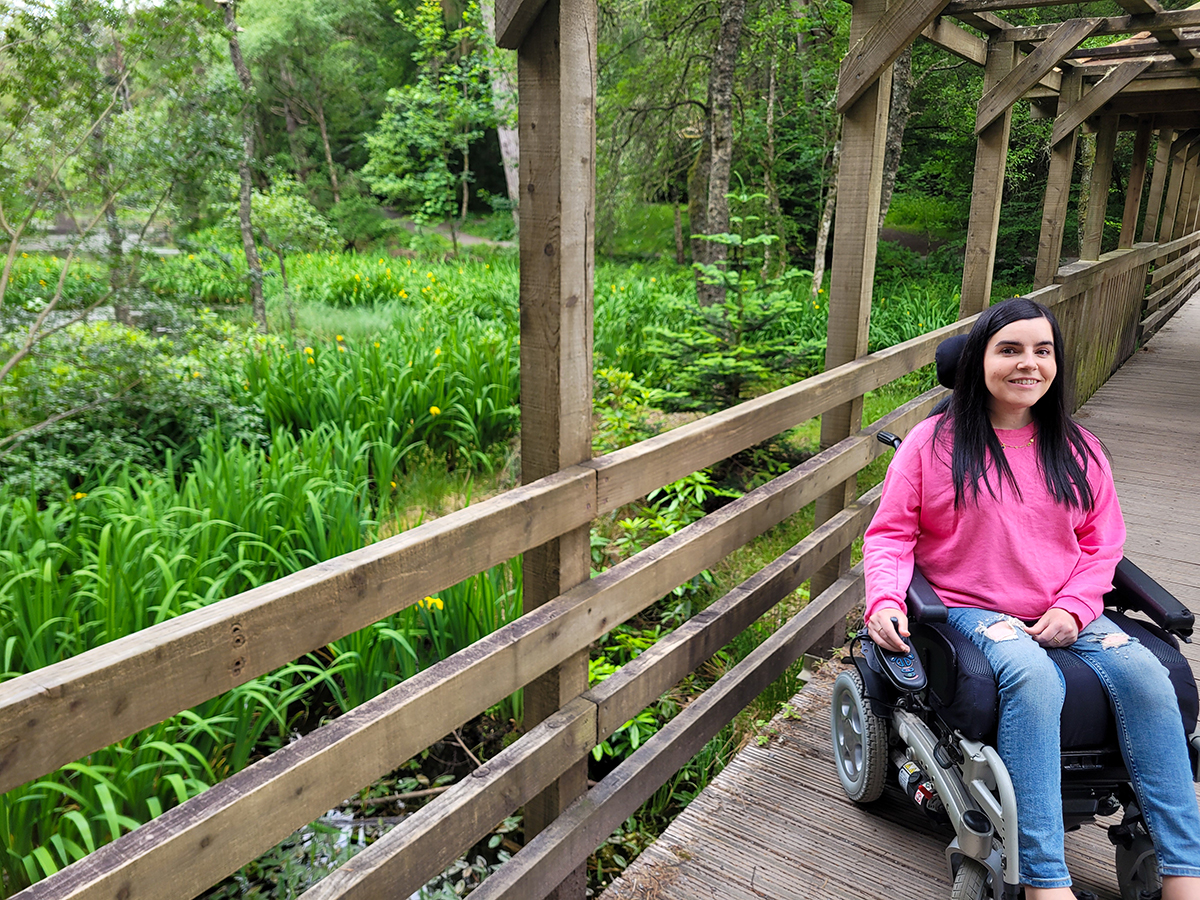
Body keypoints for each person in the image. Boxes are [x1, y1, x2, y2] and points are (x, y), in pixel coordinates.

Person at [862, 297, 1200, 900]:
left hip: (1065, 603)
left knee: (1149, 676)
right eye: (1009, 350)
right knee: (1034, 679)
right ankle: (1045, 878)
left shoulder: (1079, 448)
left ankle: (1183, 871)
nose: (1029, 364)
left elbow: (1103, 547)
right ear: (978, 362)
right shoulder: (931, 444)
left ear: (1056, 362)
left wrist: (1074, 607)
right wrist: (885, 600)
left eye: (1042, 351)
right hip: (969, 607)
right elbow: (891, 534)